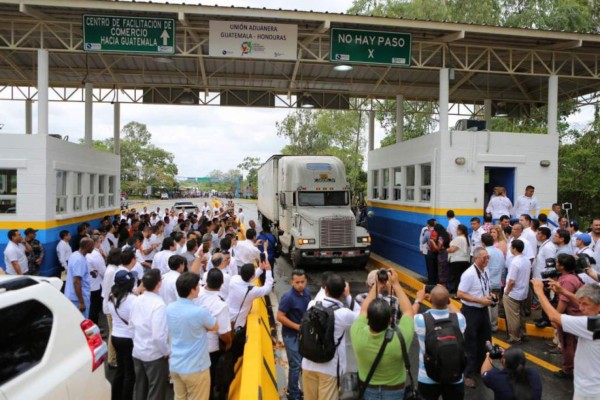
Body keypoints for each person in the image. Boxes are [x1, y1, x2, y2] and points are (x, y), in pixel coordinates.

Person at [532, 280, 600, 399]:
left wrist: (539, 292)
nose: (580, 308)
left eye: (585, 304)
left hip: (590, 391)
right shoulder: (595, 317)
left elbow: (554, 317)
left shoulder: (593, 325)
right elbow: (587, 302)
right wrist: (563, 291)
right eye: (580, 303)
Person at [351, 271, 414, 400]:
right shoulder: (401, 337)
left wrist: (377, 285)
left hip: (367, 389)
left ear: (368, 318)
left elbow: (363, 309)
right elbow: (408, 311)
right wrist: (396, 284)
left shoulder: (357, 332)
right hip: (395, 391)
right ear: (390, 320)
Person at [302, 273, 360, 400]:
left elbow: (321, 298)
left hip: (308, 363)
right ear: (342, 292)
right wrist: (348, 296)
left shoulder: (312, 304)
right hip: (330, 368)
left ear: (325, 289)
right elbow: (361, 315)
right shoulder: (343, 314)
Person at [166, 272, 218, 400]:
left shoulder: (170, 307)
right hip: (196, 368)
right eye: (197, 286)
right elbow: (215, 326)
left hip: (176, 365)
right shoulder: (199, 312)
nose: (200, 287)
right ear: (192, 290)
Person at [413, 285, 466, 400]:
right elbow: (458, 313)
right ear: (448, 300)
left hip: (427, 377)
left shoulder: (421, 320)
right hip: (455, 376)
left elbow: (408, 317)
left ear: (430, 300)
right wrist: (446, 297)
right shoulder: (459, 319)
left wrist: (419, 299)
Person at [457, 247, 494, 388]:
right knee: (470, 342)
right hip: (471, 311)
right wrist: (479, 300)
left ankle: (481, 367)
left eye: (487, 257)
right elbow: (460, 293)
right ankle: (468, 374)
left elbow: (484, 288)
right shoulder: (469, 274)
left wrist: (490, 297)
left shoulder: (485, 270)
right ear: (476, 258)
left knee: (485, 340)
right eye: (484, 258)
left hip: (483, 310)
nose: (487, 260)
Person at [130, 269, 170, 400]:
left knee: (140, 388)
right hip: (154, 354)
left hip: (138, 351)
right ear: (159, 283)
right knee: (156, 391)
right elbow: (158, 335)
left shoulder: (136, 300)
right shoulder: (159, 304)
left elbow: (131, 326)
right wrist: (166, 352)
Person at [195, 268, 232, 400]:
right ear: (221, 284)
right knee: (208, 383)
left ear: (207, 280)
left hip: (193, 345)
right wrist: (228, 343)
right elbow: (223, 333)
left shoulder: (195, 295)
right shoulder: (220, 305)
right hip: (211, 349)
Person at [277, 269, 310, 400]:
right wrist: (296, 326)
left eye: (302, 282)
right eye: (297, 282)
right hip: (291, 335)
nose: (300, 285)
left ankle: (299, 388)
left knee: (303, 363)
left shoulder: (307, 293)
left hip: (304, 334)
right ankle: (293, 393)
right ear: (292, 282)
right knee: (295, 364)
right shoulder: (288, 297)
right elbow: (280, 316)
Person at [107, 270, 137, 400]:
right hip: (128, 339)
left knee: (120, 371)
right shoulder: (132, 300)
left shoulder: (111, 296)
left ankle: (115, 396)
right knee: (130, 374)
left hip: (116, 337)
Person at [227, 260, 273, 329]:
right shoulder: (252, 291)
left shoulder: (234, 279)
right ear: (252, 276)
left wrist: (260, 269)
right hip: (238, 322)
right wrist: (268, 271)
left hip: (226, 315)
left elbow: (248, 280)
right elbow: (267, 288)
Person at [503, 240, 530, 344]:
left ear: (514, 248)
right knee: (521, 315)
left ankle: (514, 337)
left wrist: (507, 292)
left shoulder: (515, 262)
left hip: (513, 293)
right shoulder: (526, 260)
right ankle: (523, 334)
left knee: (513, 317)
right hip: (523, 292)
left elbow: (511, 281)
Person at [102, 248, 122, 369]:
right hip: (110, 306)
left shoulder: (112, 269)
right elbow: (109, 291)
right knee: (113, 333)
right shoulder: (112, 271)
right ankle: (112, 359)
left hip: (110, 304)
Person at [65, 237, 95, 317]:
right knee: (82, 323)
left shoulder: (75, 255)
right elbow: (76, 281)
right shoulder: (79, 260)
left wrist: (89, 272)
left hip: (73, 296)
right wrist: (81, 302)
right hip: (78, 299)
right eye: (92, 245)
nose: (93, 247)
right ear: (88, 246)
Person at [482, 233, 505, 332]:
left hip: (487, 282)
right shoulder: (499, 252)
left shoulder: (484, 252)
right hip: (497, 281)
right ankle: (494, 325)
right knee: (494, 304)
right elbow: (503, 267)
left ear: (483, 242)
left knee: (487, 304)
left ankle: (488, 325)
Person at [86, 234, 107, 325]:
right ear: (97, 242)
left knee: (91, 306)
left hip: (88, 282)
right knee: (95, 307)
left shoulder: (86, 252)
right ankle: (94, 326)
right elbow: (103, 270)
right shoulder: (96, 255)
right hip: (96, 284)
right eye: (100, 241)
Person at [447, 224, 470, 294]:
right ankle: (459, 291)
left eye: (457, 229)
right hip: (465, 261)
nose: (456, 231)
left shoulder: (459, 238)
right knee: (461, 277)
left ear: (460, 231)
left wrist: (446, 249)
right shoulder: (467, 238)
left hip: (457, 261)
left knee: (457, 278)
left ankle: (457, 292)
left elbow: (453, 249)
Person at [422, 218, 438, 285]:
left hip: (430, 252)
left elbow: (423, 241)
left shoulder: (427, 232)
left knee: (430, 267)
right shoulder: (438, 231)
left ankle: (431, 283)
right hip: (437, 251)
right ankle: (436, 281)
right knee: (436, 267)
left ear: (428, 224)